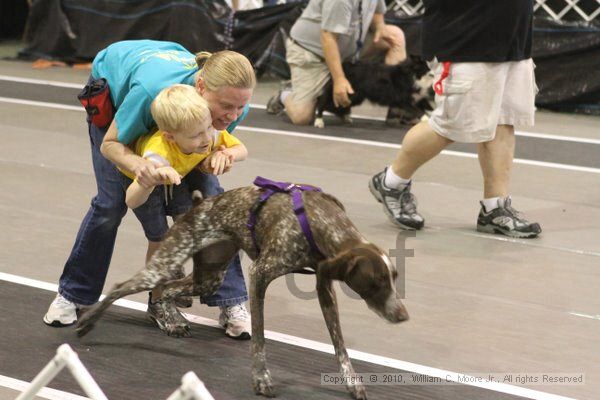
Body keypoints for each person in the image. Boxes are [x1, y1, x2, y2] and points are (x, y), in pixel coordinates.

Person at [43, 40, 256, 340]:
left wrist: (220, 157)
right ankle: (74, 294)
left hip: (179, 114)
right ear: (201, 86)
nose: (233, 115)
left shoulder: (230, 107)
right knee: (111, 204)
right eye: (226, 106)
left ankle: (231, 301)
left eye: (241, 106)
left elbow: (208, 149)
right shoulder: (147, 91)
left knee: (212, 201)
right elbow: (111, 145)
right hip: (123, 98)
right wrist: (140, 168)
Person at [368, 0, 542, 239]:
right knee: (450, 124)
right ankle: (392, 182)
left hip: (513, 37)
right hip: (466, 38)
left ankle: (495, 207)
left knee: (503, 119)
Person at [266, 0, 406, 125]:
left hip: (349, 49)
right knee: (302, 117)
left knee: (395, 36)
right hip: (313, 53)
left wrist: (380, 26)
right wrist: (339, 79)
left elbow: (376, 8)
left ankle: (399, 108)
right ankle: (286, 94)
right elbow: (328, 37)